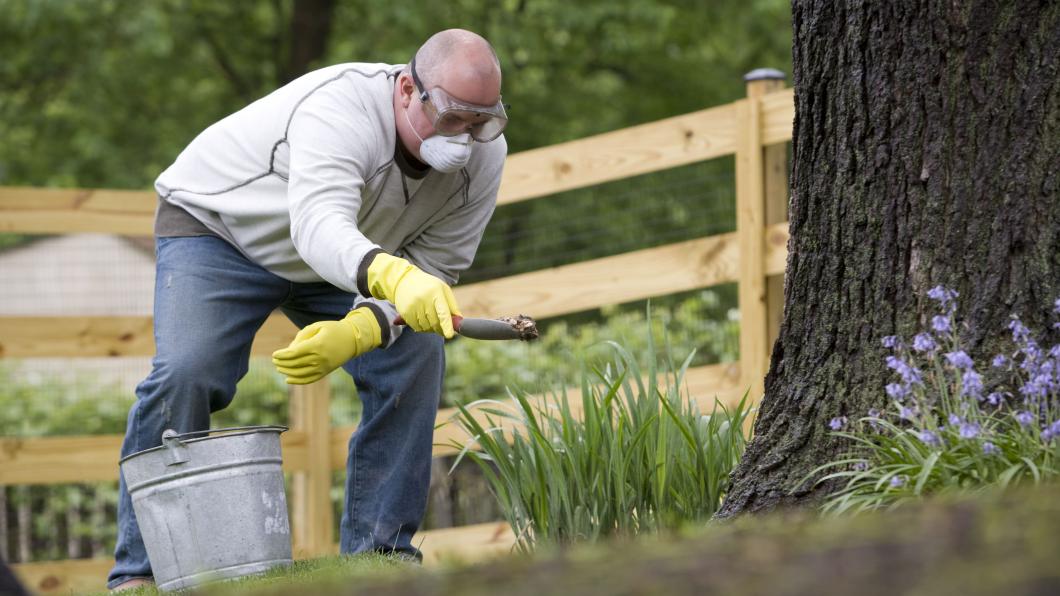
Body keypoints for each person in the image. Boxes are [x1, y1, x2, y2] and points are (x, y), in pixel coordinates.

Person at [107, 29, 508, 591]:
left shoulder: (484, 160)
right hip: (221, 229)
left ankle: (379, 559)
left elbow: (435, 267)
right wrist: (393, 277)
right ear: (406, 89)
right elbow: (318, 224)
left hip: (344, 260)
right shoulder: (340, 107)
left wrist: (368, 325)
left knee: (415, 350)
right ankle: (139, 572)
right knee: (188, 370)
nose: (463, 138)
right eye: (451, 117)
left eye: (479, 122)